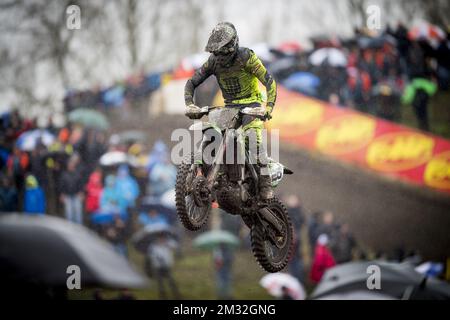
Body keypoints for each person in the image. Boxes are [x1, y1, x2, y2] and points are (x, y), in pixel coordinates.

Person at [184, 22, 277, 200]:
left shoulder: (246, 57)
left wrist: (269, 107)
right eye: (215, 52)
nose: (219, 56)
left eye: (221, 51)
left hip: (252, 105)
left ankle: (264, 183)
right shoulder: (213, 61)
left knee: (252, 139)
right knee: (213, 135)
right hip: (230, 107)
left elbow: (269, 81)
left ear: (232, 45)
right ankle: (217, 175)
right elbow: (191, 82)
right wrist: (190, 103)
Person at [147, 235, 180, 299]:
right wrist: (156, 258)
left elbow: (176, 246)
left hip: (167, 266)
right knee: (160, 282)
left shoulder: (168, 243)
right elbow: (150, 255)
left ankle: (176, 293)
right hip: (158, 267)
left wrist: (168, 245)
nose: (161, 240)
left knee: (170, 280)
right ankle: (162, 295)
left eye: (162, 238)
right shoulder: (153, 246)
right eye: (159, 238)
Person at [59, 157, 84, 224]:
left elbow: (81, 184)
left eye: (72, 164)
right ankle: (70, 230)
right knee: (69, 214)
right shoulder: (64, 174)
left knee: (78, 214)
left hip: (76, 195)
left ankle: (79, 229)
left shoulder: (78, 174)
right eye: (69, 164)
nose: (71, 166)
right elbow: (62, 185)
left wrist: (81, 193)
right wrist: (62, 194)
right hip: (67, 196)